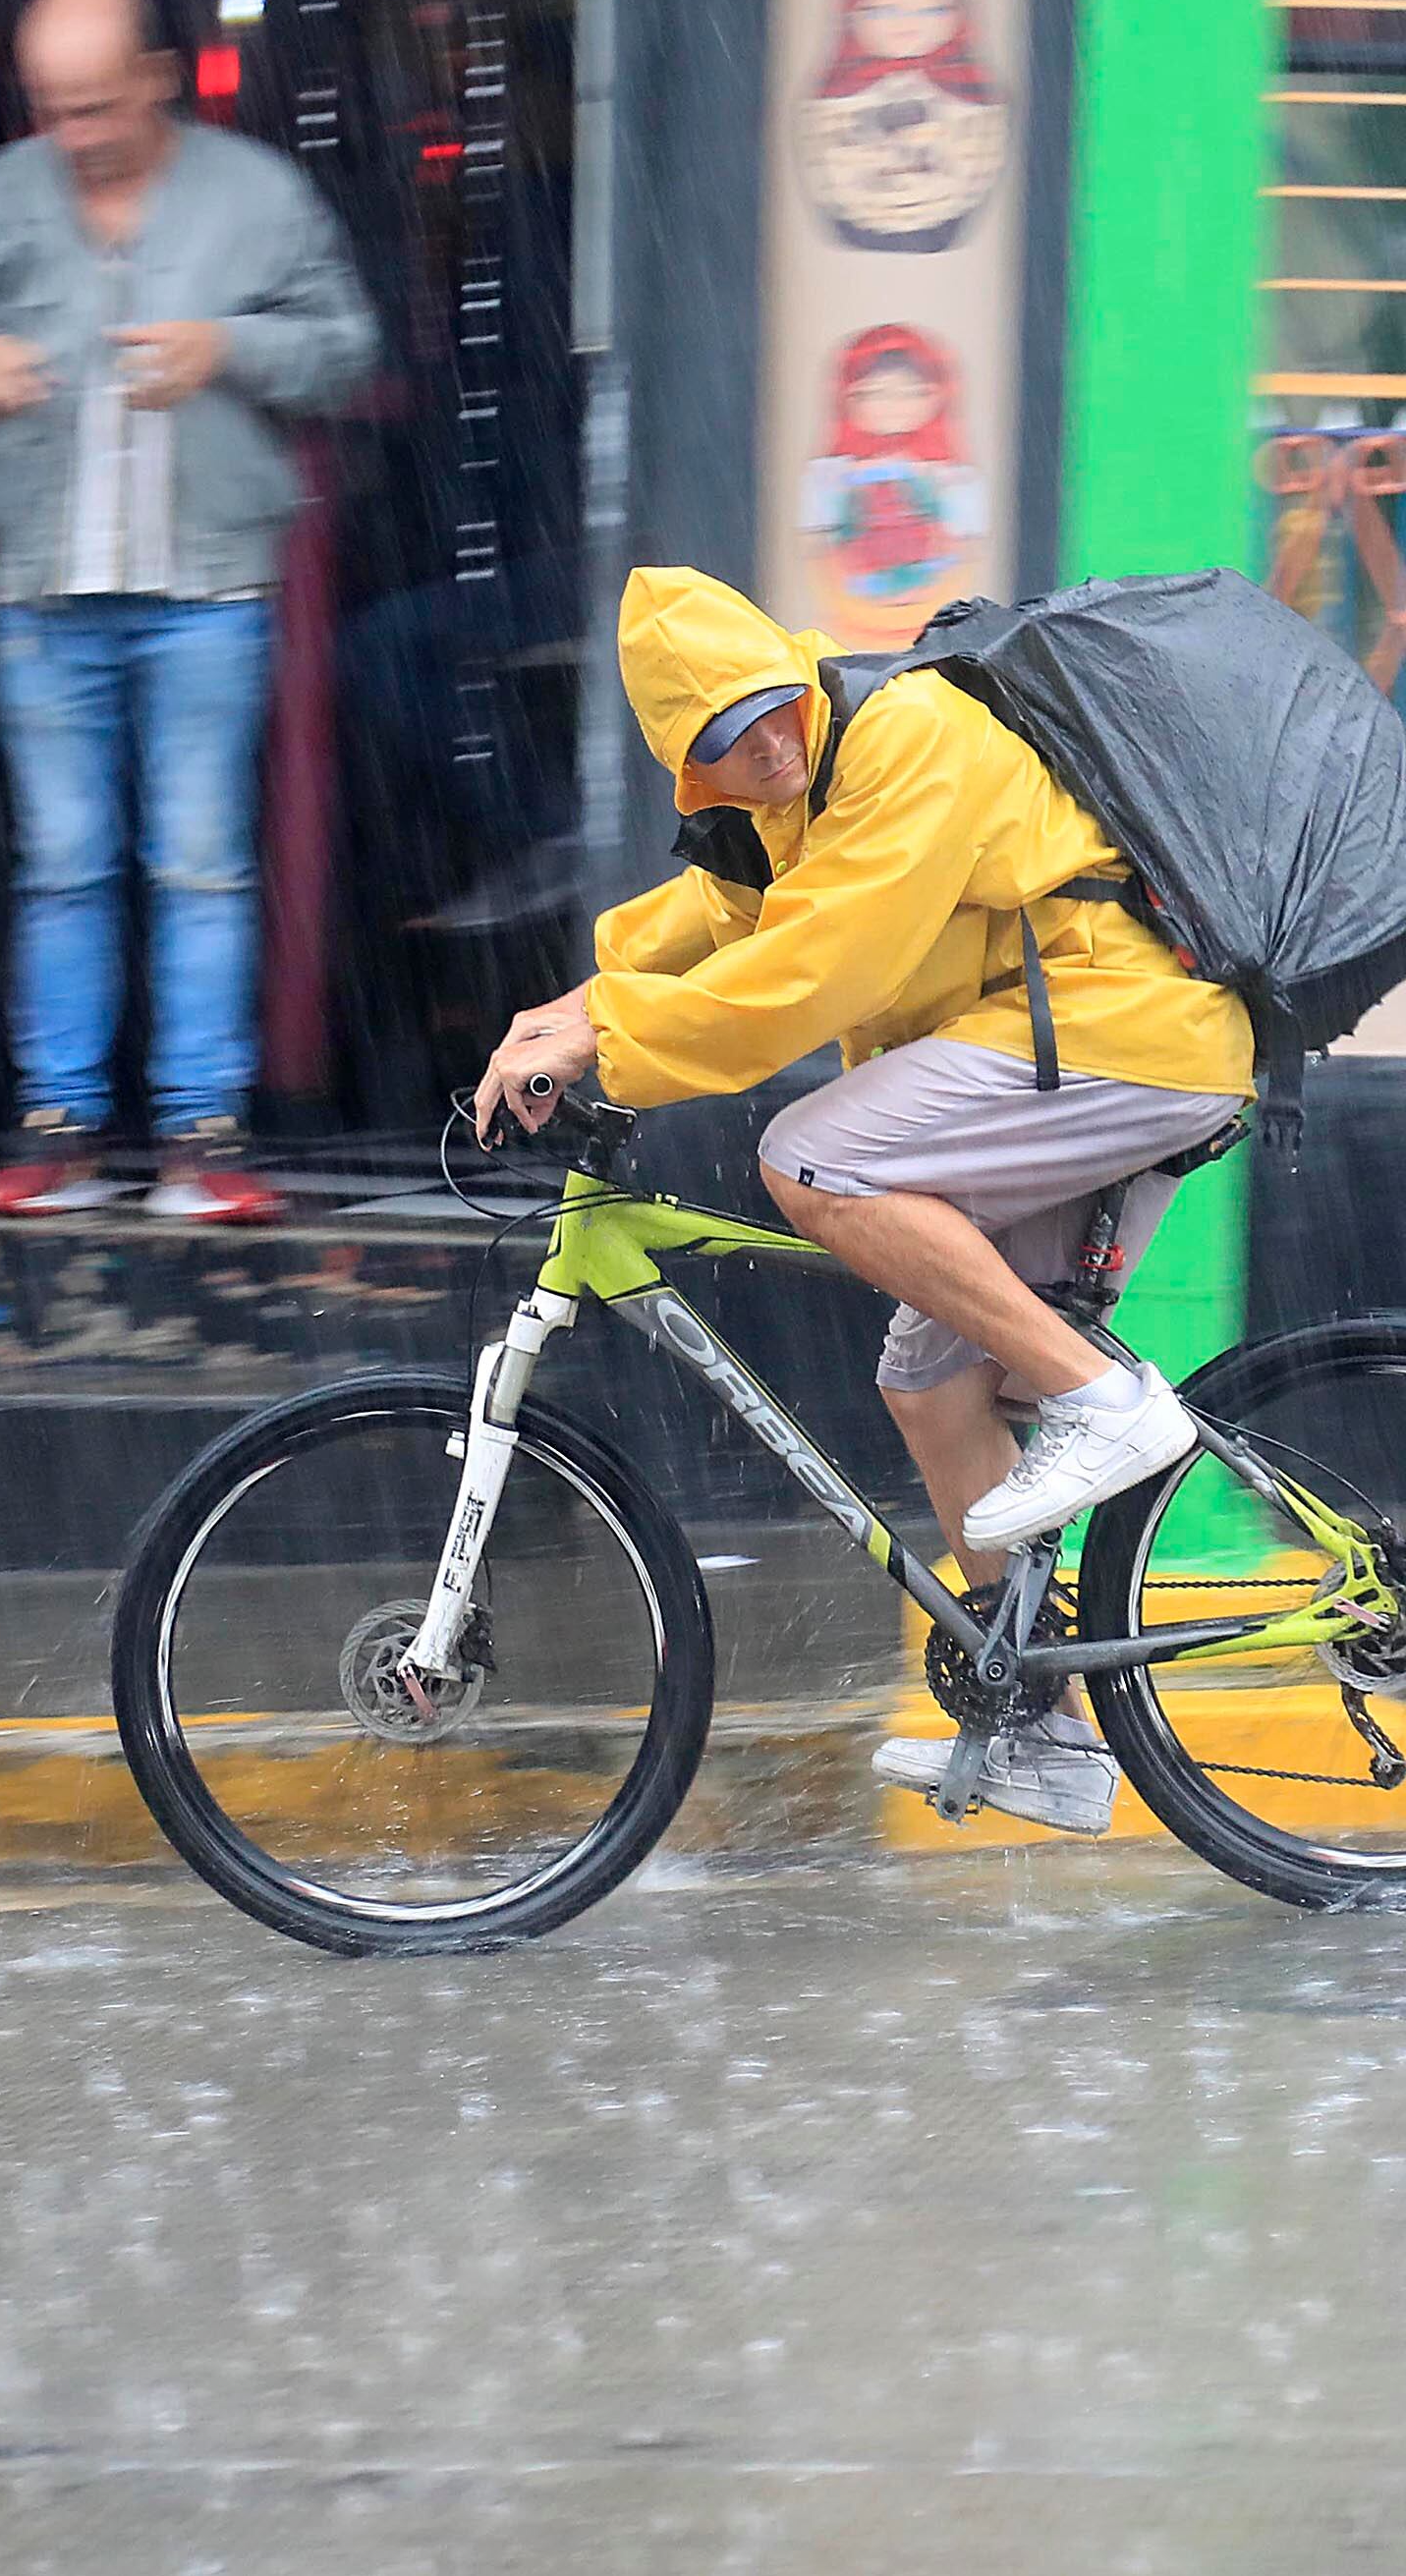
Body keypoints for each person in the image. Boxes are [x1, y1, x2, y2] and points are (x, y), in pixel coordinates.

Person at [475, 567, 1255, 1833]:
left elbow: (816, 969)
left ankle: (1106, 1403)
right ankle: (1043, 1732)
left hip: (1125, 1030)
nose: (766, 743)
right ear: (690, 769)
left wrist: (606, 1033)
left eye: (768, 705)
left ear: (795, 673)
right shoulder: (787, 807)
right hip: (1044, 1060)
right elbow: (714, 915)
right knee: (931, 1384)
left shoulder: (904, 734)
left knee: (813, 1158)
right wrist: (562, 1010)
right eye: (727, 736)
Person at [0, 0, 379, 1224]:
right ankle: (58, 1128)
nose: (76, 133)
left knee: (200, 864)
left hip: (206, 584)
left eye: (98, 105)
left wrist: (227, 346)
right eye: (53, 107)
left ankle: (199, 1137)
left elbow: (345, 347)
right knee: (61, 865)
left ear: (161, 79)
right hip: (42, 587)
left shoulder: (256, 195)